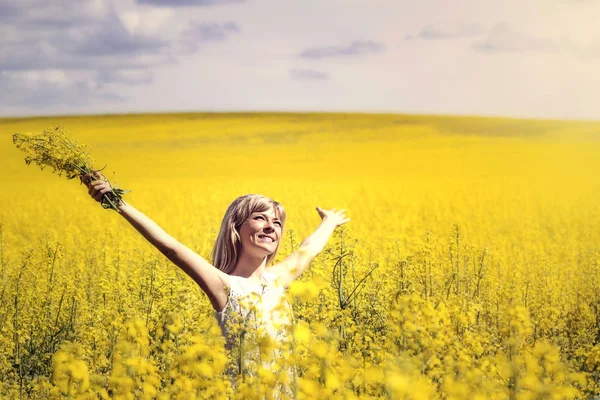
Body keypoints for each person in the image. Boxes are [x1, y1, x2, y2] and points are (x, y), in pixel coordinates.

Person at [81, 172, 350, 396]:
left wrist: (329, 221)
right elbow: (171, 247)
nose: (271, 227)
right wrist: (116, 202)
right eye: (260, 218)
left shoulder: (277, 280)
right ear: (236, 228)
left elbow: (309, 248)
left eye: (277, 222)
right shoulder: (226, 286)